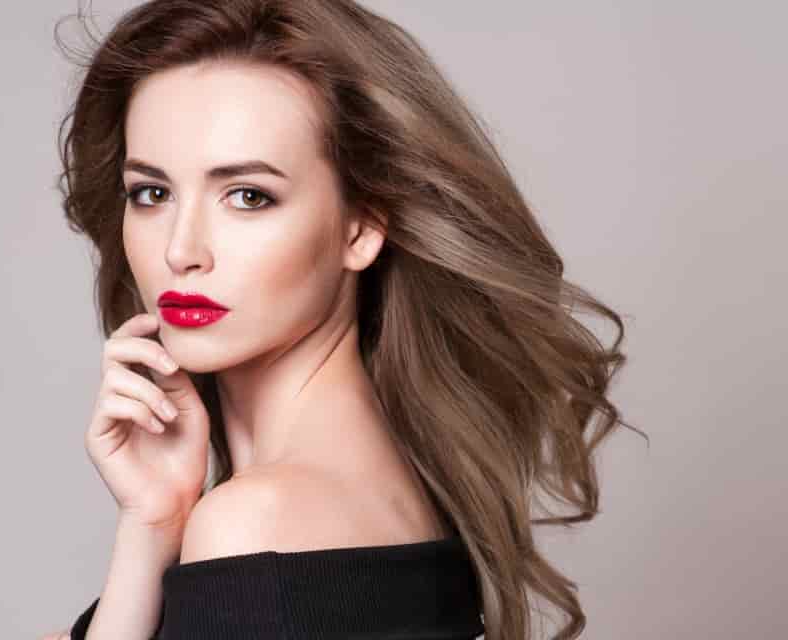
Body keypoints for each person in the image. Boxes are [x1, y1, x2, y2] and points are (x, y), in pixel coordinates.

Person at [44, 1, 645, 638]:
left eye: (248, 196)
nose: (180, 250)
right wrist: (153, 525)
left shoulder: (258, 526)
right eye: (152, 193)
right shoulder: (406, 493)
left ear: (360, 227)